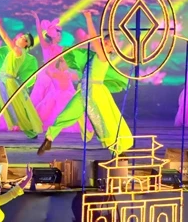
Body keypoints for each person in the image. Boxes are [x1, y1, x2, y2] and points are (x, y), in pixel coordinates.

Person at [38, 10, 132, 156]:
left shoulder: (103, 56)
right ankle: (49, 138)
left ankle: (117, 150)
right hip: (84, 90)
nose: (104, 44)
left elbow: (94, 39)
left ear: (112, 48)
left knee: (102, 122)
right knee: (68, 113)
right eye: (105, 41)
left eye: (108, 43)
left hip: (95, 93)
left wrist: (88, 18)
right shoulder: (95, 56)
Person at [0, 19, 42, 139]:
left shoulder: (18, 51)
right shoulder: (17, 50)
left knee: (16, 109)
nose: (20, 38)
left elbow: (5, 37)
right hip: (2, 81)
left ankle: (31, 132)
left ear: (26, 44)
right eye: (21, 36)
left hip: (8, 83)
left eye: (23, 38)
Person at [26, 11, 84, 133]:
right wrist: (37, 19)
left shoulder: (60, 48)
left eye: (60, 35)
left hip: (56, 75)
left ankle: (61, 120)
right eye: (58, 35)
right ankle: (34, 121)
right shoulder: (46, 46)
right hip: (46, 75)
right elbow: (40, 34)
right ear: (52, 35)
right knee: (41, 97)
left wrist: (67, 72)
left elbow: (62, 62)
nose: (60, 37)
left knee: (60, 96)